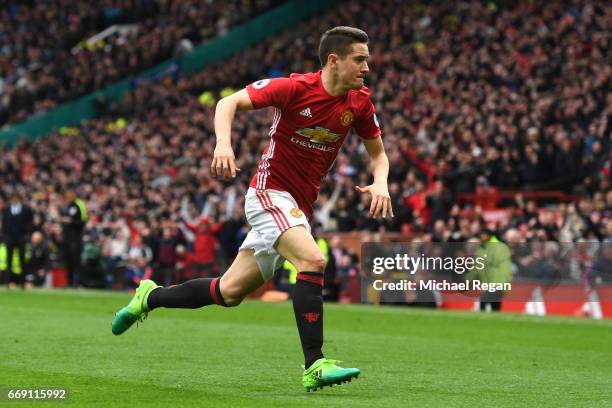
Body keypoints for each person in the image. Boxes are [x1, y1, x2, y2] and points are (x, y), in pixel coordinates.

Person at [111, 26, 393, 392]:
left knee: (227, 293)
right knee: (312, 260)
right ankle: (314, 365)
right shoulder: (293, 89)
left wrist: (381, 181)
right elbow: (227, 103)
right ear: (333, 61)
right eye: (360, 59)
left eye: (367, 60)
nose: (367, 68)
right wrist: (222, 145)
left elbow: (379, 155)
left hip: (298, 207)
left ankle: (149, 296)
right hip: (268, 193)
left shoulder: (359, 102)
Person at [1, 191, 33, 288]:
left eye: (16, 198)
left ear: (19, 199)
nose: (14, 200)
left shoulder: (25, 209)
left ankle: (22, 282)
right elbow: (4, 223)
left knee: (22, 259)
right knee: (9, 260)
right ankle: (7, 282)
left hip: (21, 237)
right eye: (13, 198)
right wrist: (5, 235)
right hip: (10, 237)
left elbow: (30, 222)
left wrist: (27, 234)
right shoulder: (7, 209)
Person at [60, 190, 87, 287]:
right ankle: (69, 282)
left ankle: (78, 283)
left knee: (76, 261)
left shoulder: (79, 205)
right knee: (68, 260)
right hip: (67, 238)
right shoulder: (68, 206)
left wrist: (70, 222)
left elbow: (82, 221)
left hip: (76, 238)